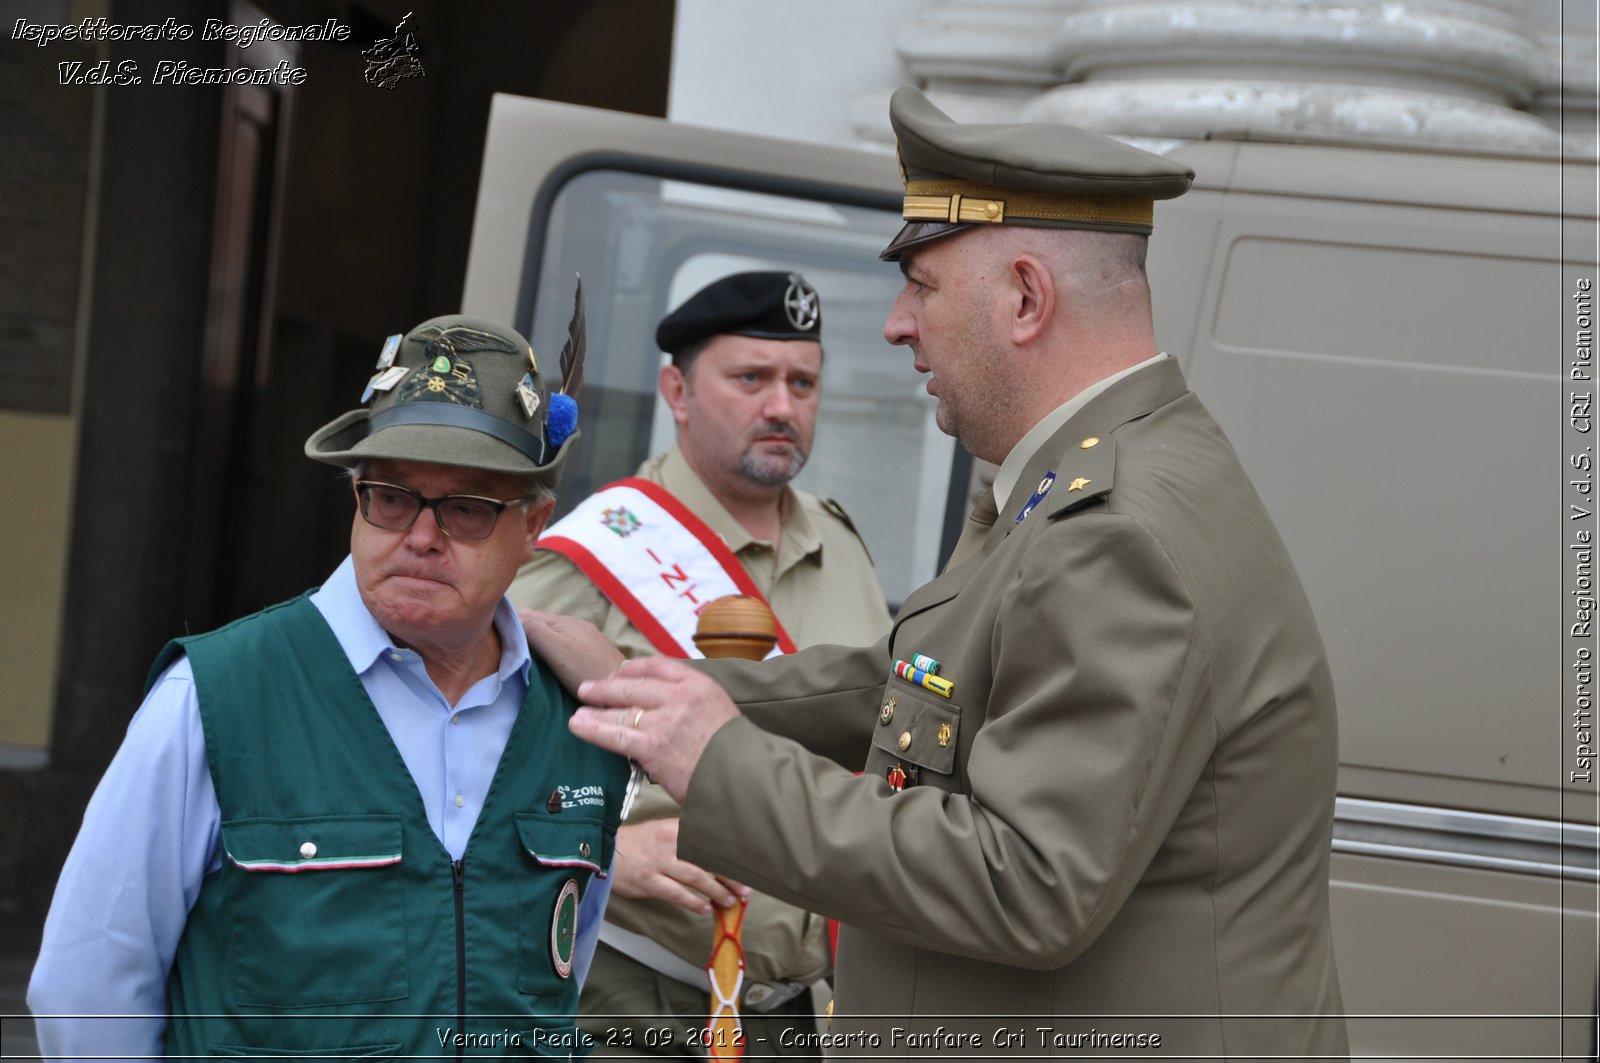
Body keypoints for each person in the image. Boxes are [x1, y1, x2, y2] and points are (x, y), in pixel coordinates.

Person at [529, 88, 1350, 1059]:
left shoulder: (1112, 529)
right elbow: (916, 686)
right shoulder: (1093, 472)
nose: (893, 325)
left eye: (921, 284)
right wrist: (670, 688)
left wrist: (718, 760)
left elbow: (1027, 878)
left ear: (1025, 298)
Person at [28, 308, 631, 1059]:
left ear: (535, 522)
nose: (420, 534)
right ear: (356, 497)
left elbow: (560, 982)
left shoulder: (579, 719)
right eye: (391, 495)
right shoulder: (216, 696)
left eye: (468, 509)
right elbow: (86, 988)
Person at [508, 271, 890, 1058]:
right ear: (677, 390)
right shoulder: (589, 555)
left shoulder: (843, 546)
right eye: (751, 377)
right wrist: (606, 849)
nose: (782, 406)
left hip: (792, 1018)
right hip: (633, 1002)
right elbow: (472, 765)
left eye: (802, 382)